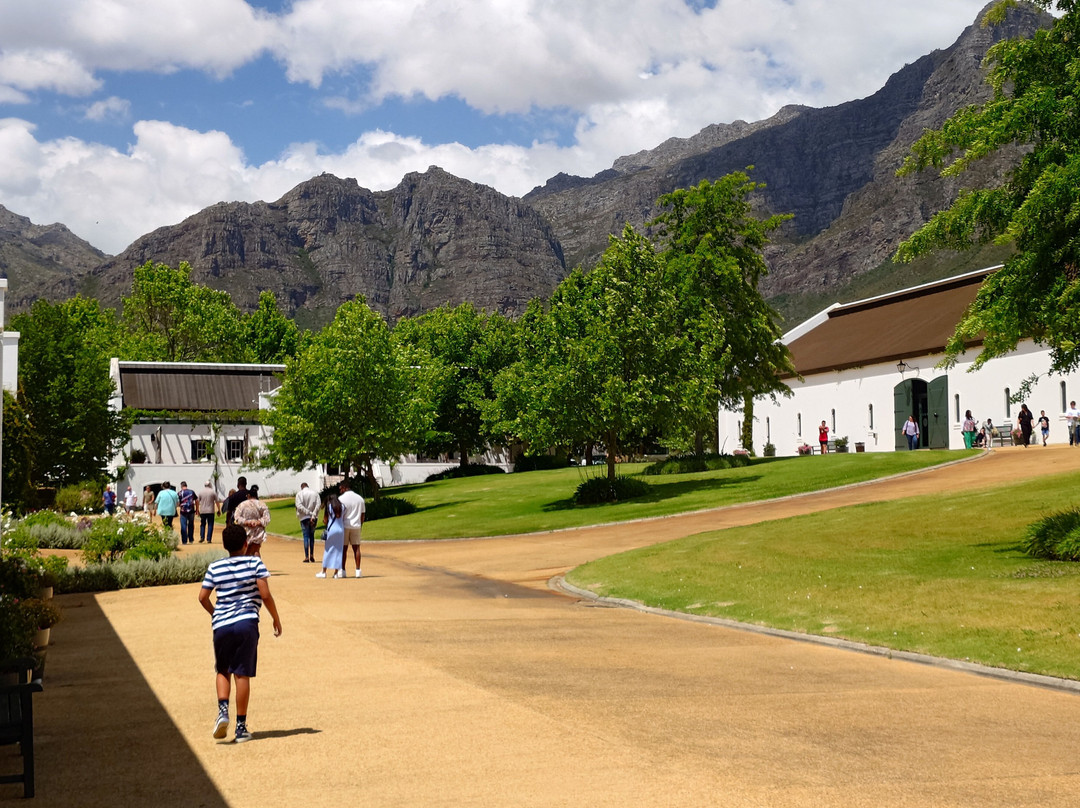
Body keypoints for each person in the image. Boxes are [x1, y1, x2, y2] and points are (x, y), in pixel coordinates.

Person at [198, 523, 282, 744]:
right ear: (246, 544)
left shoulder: (215, 567)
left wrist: (216, 613)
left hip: (222, 624)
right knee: (242, 673)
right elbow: (264, 594)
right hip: (246, 622)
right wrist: (275, 617)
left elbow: (202, 597)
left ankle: (223, 712)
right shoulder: (255, 562)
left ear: (224, 546)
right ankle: (241, 727)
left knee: (223, 670)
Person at [338, 479, 366, 578]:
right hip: (356, 525)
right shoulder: (360, 499)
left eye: (341, 489)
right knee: (356, 548)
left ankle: (343, 570)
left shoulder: (341, 499)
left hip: (345, 525)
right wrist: (360, 524)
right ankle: (358, 570)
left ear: (345, 488)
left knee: (343, 549)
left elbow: (339, 514)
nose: (340, 490)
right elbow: (362, 514)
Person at [233, 485, 271, 558]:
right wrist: (258, 522)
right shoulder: (262, 504)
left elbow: (237, 517)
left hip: (245, 530)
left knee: (246, 550)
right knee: (256, 550)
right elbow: (267, 518)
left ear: (249, 495)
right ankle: (257, 566)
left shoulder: (242, 505)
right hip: (258, 530)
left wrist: (246, 522)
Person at [316, 494, 345, 579]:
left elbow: (325, 520)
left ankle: (324, 571)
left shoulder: (329, 507)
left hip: (332, 529)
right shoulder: (342, 506)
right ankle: (336, 573)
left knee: (328, 550)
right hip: (341, 530)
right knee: (339, 551)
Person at [295, 482, 320, 563]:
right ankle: (312, 554)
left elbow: (299, 506)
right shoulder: (315, 493)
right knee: (312, 535)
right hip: (314, 517)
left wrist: (307, 512)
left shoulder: (299, 494)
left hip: (304, 518)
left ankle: (306, 556)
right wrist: (313, 514)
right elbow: (318, 505)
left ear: (302, 487)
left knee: (306, 536)